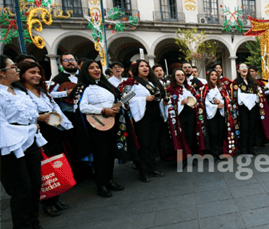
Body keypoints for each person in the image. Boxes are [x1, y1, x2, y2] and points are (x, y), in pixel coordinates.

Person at [0, 55, 53, 229]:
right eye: (12, 67)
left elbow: (29, 116)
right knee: (21, 189)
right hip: (10, 145)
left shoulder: (18, 91)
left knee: (34, 184)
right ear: (2, 73)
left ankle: (34, 223)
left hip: (29, 140)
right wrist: (28, 128)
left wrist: (36, 122)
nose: (16, 70)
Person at [19, 60, 74, 216]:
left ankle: (55, 197)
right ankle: (47, 201)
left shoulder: (41, 91)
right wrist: (39, 117)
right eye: (32, 73)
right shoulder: (21, 93)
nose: (36, 76)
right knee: (43, 168)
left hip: (52, 128)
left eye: (38, 73)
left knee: (54, 162)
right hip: (37, 131)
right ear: (22, 74)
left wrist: (63, 122)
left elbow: (54, 108)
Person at [77, 60, 126, 198]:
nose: (96, 70)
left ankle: (109, 180)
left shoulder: (107, 85)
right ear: (85, 71)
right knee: (101, 155)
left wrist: (115, 108)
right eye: (91, 68)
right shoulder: (84, 88)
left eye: (97, 67)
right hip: (96, 126)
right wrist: (103, 110)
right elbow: (82, 107)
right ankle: (101, 185)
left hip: (112, 123)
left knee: (110, 153)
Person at [120, 60, 166, 183]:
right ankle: (143, 171)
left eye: (146, 66)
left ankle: (152, 168)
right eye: (142, 66)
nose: (145, 68)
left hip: (154, 114)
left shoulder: (152, 82)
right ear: (136, 69)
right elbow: (124, 99)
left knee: (153, 143)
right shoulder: (131, 82)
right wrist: (144, 99)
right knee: (144, 144)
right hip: (141, 116)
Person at [232, 63, 269, 154]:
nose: (244, 69)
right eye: (242, 67)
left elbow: (257, 93)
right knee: (244, 127)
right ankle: (244, 148)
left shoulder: (252, 81)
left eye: (246, 67)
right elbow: (237, 95)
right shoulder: (236, 82)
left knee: (252, 127)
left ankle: (251, 147)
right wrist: (247, 98)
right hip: (242, 107)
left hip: (253, 107)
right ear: (238, 71)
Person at [165, 68, 198, 160]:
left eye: (182, 75)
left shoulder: (189, 88)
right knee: (179, 137)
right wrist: (181, 103)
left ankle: (189, 156)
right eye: (178, 75)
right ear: (174, 77)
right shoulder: (171, 89)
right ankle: (180, 159)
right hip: (179, 116)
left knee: (190, 136)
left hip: (190, 115)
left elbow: (196, 99)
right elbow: (169, 104)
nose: (181, 77)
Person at [204, 69, 238, 158]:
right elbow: (204, 102)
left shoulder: (221, 88)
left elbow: (227, 98)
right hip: (211, 114)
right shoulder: (205, 88)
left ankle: (220, 151)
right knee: (213, 133)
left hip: (222, 113)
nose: (214, 76)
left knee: (221, 132)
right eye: (212, 75)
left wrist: (222, 101)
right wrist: (215, 106)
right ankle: (214, 153)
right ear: (208, 77)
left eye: (216, 75)